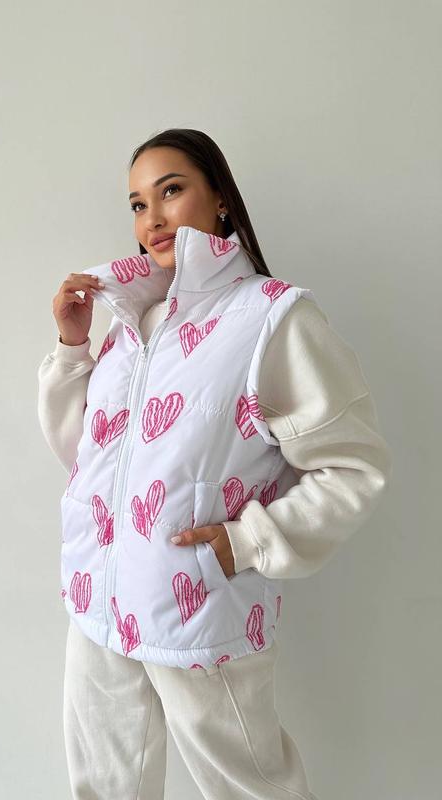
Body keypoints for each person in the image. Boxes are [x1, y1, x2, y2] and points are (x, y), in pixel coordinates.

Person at [37, 128, 392, 799]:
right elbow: (86, 456)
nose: (153, 218)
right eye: (138, 204)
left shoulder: (273, 318)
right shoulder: (133, 320)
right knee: (104, 789)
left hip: (199, 611)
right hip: (99, 602)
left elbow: (353, 465)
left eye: (171, 190)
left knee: (250, 789)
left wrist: (248, 541)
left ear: (221, 198)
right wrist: (72, 347)